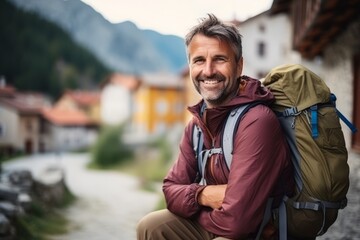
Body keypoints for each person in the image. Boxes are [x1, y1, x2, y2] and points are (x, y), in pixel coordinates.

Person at [137, 14, 294, 240]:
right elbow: (170, 191)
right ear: (190, 66)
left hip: (261, 231)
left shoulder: (257, 121)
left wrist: (193, 201)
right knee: (151, 226)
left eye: (220, 59)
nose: (208, 71)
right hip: (220, 221)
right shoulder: (196, 126)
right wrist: (203, 195)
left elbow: (238, 222)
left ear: (239, 66)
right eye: (199, 60)